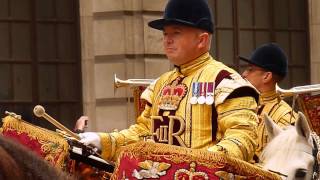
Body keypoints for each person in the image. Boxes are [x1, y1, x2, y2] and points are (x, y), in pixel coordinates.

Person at [79, 0, 260, 162]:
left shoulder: (226, 82)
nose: (167, 40)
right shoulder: (160, 84)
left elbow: (242, 139)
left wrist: (199, 164)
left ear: (202, 40)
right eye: (165, 34)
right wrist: (103, 141)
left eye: (176, 33)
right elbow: (144, 133)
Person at [240, 43, 298, 162]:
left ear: (267, 76)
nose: (244, 74)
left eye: (250, 69)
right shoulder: (242, 104)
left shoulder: (285, 117)